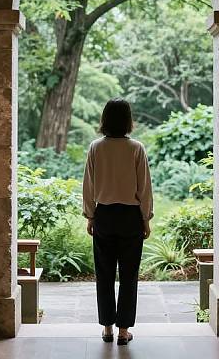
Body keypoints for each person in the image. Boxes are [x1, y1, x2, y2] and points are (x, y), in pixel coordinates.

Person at [82, 98, 153, 346]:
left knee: (104, 274)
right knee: (129, 274)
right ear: (128, 121)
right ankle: (124, 331)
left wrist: (90, 216)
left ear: (104, 120)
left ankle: (107, 328)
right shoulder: (136, 148)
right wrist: (146, 219)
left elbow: (88, 185)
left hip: (104, 216)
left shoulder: (95, 148)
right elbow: (144, 188)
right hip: (130, 217)